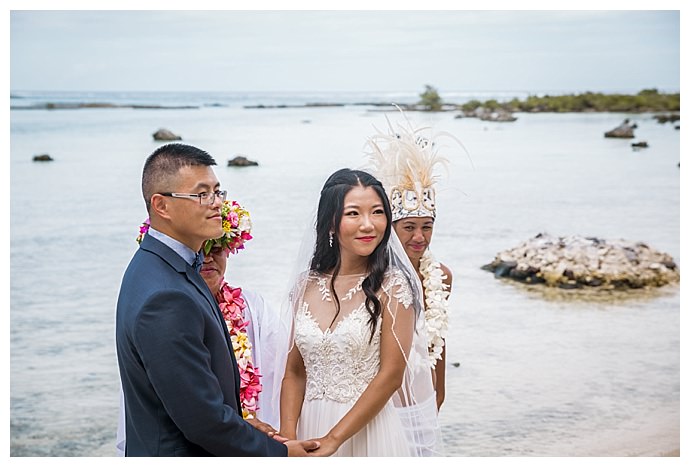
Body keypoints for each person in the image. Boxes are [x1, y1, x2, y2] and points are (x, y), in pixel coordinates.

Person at [115, 143, 318, 456]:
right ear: (161, 206)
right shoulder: (166, 297)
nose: (216, 205)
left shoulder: (155, 264)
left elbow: (187, 398)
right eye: (202, 194)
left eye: (217, 192)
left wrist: (245, 425)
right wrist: (282, 454)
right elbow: (201, 420)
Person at [277, 168, 441, 456]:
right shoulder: (305, 285)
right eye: (353, 213)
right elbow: (294, 371)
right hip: (308, 429)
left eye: (377, 212)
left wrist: (334, 439)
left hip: (368, 432)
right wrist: (288, 437)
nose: (368, 225)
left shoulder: (394, 286)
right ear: (330, 222)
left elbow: (391, 375)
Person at [117, 198, 283, 455]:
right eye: (200, 249)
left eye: (216, 248)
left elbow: (277, 372)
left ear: (230, 249)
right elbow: (187, 410)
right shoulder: (167, 303)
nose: (206, 258)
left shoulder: (253, 307)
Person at [365, 113, 455, 411]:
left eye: (426, 226)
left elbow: (438, 342)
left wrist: (438, 396)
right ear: (391, 229)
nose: (419, 236)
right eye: (409, 227)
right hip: (379, 402)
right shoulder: (372, 274)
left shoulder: (441, 276)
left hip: (422, 400)